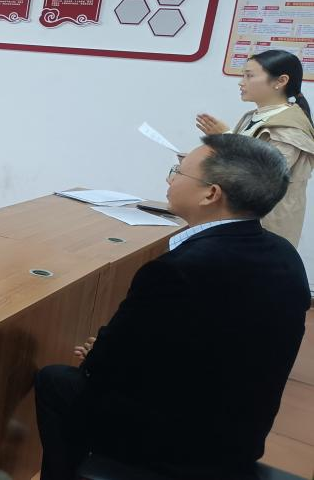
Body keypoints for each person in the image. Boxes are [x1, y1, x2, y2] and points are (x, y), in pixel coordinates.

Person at [35, 134, 310, 480]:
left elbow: (105, 367)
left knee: (56, 381)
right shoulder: (285, 256)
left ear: (211, 194)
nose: (169, 180)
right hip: (240, 439)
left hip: (174, 448)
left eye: (178, 172)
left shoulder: (180, 269)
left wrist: (99, 353)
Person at [196, 49, 314, 246]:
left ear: (281, 81)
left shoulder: (290, 127)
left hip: (265, 225)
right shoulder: (253, 116)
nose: (241, 82)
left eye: (249, 76)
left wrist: (226, 137)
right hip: (238, 215)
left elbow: (262, 176)